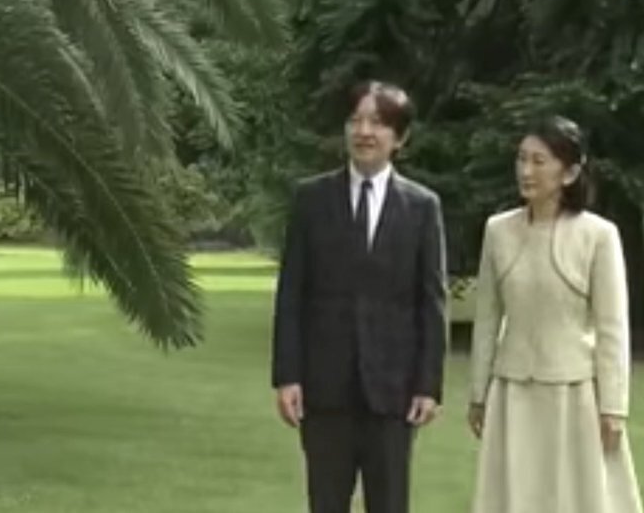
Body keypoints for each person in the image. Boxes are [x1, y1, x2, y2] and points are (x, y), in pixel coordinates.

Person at [271, 80, 447, 513]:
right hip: (324, 389)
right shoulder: (311, 200)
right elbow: (292, 293)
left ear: (399, 137)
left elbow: (431, 302)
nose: (364, 131)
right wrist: (287, 376)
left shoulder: (422, 207)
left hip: (393, 392)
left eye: (378, 123)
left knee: (389, 504)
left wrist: (428, 386)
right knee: (326, 502)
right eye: (356, 120)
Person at [468, 116, 643, 513]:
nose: (526, 171)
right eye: (521, 159)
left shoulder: (598, 235)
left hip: (574, 395)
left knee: (574, 498)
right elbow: (487, 319)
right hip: (512, 392)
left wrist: (613, 407)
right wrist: (478, 394)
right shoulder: (498, 231)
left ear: (570, 172)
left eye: (539, 161)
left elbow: (612, 327)